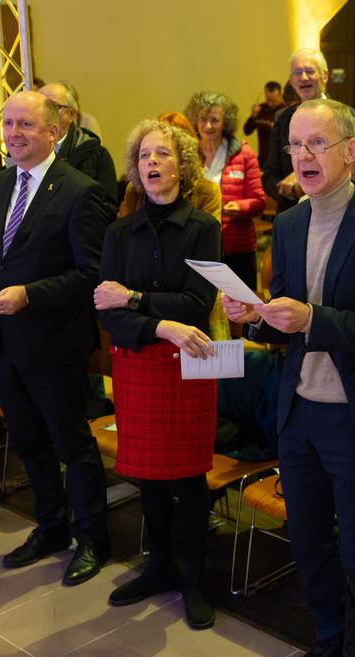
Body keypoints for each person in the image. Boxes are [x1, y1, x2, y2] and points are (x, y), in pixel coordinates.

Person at [222, 98, 355, 657]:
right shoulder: (288, 222)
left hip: (354, 414)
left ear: (351, 151)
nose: (302, 155)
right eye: (294, 145)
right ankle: (329, 636)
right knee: (306, 540)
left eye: (315, 144)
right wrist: (257, 315)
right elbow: (286, 322)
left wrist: (312, 318)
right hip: (299, 407)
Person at [0, 91, 111, 584]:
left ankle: (92, 539)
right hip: (4, 340)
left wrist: (31, 295)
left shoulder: (80, 190)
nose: (15, 134)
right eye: (8, 125)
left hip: (55, 342)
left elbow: (91, 274)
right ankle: (50, 526)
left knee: (72, 444)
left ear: (53, 131)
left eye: (27, 125)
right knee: (28, 441)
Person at [94, 119, 220, 629]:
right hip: (138, 362)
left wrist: (138, 300)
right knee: (146, 474)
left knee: (189, 477)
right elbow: (106, 308)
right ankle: (160, 566)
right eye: (144, 155)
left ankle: (195, 579)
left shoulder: (201, 227)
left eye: (163, 154)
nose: (152, 163)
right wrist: (159, 323)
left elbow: (198, 302)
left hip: (186, 364)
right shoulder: (119, 231)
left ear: (182, 166)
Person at [187, 91, 266, 289]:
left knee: (242, 309)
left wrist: (239, 207)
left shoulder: (244, 153)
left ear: (226, 122)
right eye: (202, 119)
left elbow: (259, 200)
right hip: (198, 246)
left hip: (237, 248)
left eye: (215, 120)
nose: (208, 126)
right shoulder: (188, 154)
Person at [118, 111, 222, 220]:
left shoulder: (207, 191)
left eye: (163, 153)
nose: (152, 159)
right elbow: (125, 229)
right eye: (145, 154)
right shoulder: (135, 190)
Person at [263, 48, 331, 213]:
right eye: (297, 73)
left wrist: (306, 180)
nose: (303, 77)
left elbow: (351, 170)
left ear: (325, 76)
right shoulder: (282, 118)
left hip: (332, 212)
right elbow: (269, 176)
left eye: (309, 71)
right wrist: (290, 190)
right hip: (292, 212)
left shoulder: (345, 116)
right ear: (292, 81)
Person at [39, 80, 118, 210]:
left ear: (71, 114)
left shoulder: (96, 155)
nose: (44, 113)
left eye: (53, 107)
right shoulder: (22, 154)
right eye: (39, 107)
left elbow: (107, 209)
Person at [243, 80, 286, 167]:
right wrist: (253, 116)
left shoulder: (286, 110)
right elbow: (247, 131)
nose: (270, 103)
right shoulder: (261, 109)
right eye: (268, 100)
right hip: (263, 158)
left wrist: (278, 128)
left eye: (273, 101)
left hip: (281, 159)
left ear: (280, 95)